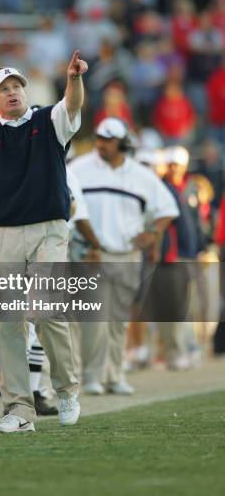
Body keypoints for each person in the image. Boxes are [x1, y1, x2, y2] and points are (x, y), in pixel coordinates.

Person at [0, 50, 87, 433]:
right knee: (8, 321)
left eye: (17, 87)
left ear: (25, 92)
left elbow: (72, 105)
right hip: (5, 234)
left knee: (45, 309)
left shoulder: (48, 121)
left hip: (49, 230)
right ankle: (18, 408)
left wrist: (74, 78)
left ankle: (65, 390)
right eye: (4, 90)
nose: (12, 93)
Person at [69, 117, 179, 395]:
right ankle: (92, 376)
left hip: (127, 254)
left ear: (123, 144)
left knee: (119, 320)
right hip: (93, 254)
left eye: (108, 140)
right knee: (94, 318)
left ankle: (114, 375)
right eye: (99, 138)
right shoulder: (79, 168)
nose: (101, 144)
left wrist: (153, 234)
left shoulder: (140, 175)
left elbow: (167, 208)